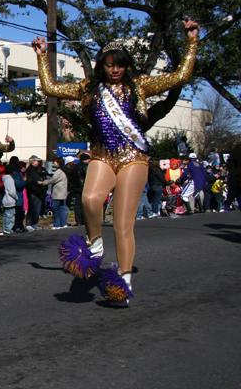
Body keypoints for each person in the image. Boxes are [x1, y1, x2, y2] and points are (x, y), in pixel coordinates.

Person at [32, 17, 199, 306]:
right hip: (102, 155)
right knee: (89, 200)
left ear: (126, 65)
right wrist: (42, 56)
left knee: (123, 225)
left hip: (134, 158)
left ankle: (123, 282)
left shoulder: (140, 85)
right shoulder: (88, 88)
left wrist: (192, 41)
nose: (115, 70)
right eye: (109, 65)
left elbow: (180, 76)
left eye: (119, 64)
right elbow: (50, 88)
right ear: (102, 66)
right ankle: (95, 243)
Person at [38, 157, 69, 229]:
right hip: (63, 192)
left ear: (58, 163)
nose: (54, 163)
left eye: (55, 162)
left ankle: (57, 224)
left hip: (58, 193)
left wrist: (43, 182)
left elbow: (53, 180)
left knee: (56, 208)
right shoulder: (64, 171)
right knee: (61, 208)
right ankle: (63, 223)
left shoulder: (59, 171)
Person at [24, 155, 47, 231]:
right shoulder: (30, 170)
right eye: (37, 161)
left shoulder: (37, 170)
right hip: (33, 192)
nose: (39, 162)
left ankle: (34, 223)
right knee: (32, 208)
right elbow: (32, 181)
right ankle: (29, 223)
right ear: (32, 161)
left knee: (37, 209)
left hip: (39, 192)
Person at [70, 153, 91, 225]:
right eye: (88, 159)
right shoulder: (85, 166)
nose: (89, 160)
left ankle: (78, 220)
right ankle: (84, 220)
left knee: (78, 204)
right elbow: (88, 176)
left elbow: (71, 177)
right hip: (84, 187)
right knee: (85, 204)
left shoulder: (74, 167)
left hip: (76, 187)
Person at [1, 164, 18, 235]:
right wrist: (16, 197)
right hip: (9, 200)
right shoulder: (9, 179)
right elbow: (12, 191)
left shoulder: (3, 178)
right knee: (10, 215)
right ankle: (8, 228)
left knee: (6, 215)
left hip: (4, 199)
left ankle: (6, 228)